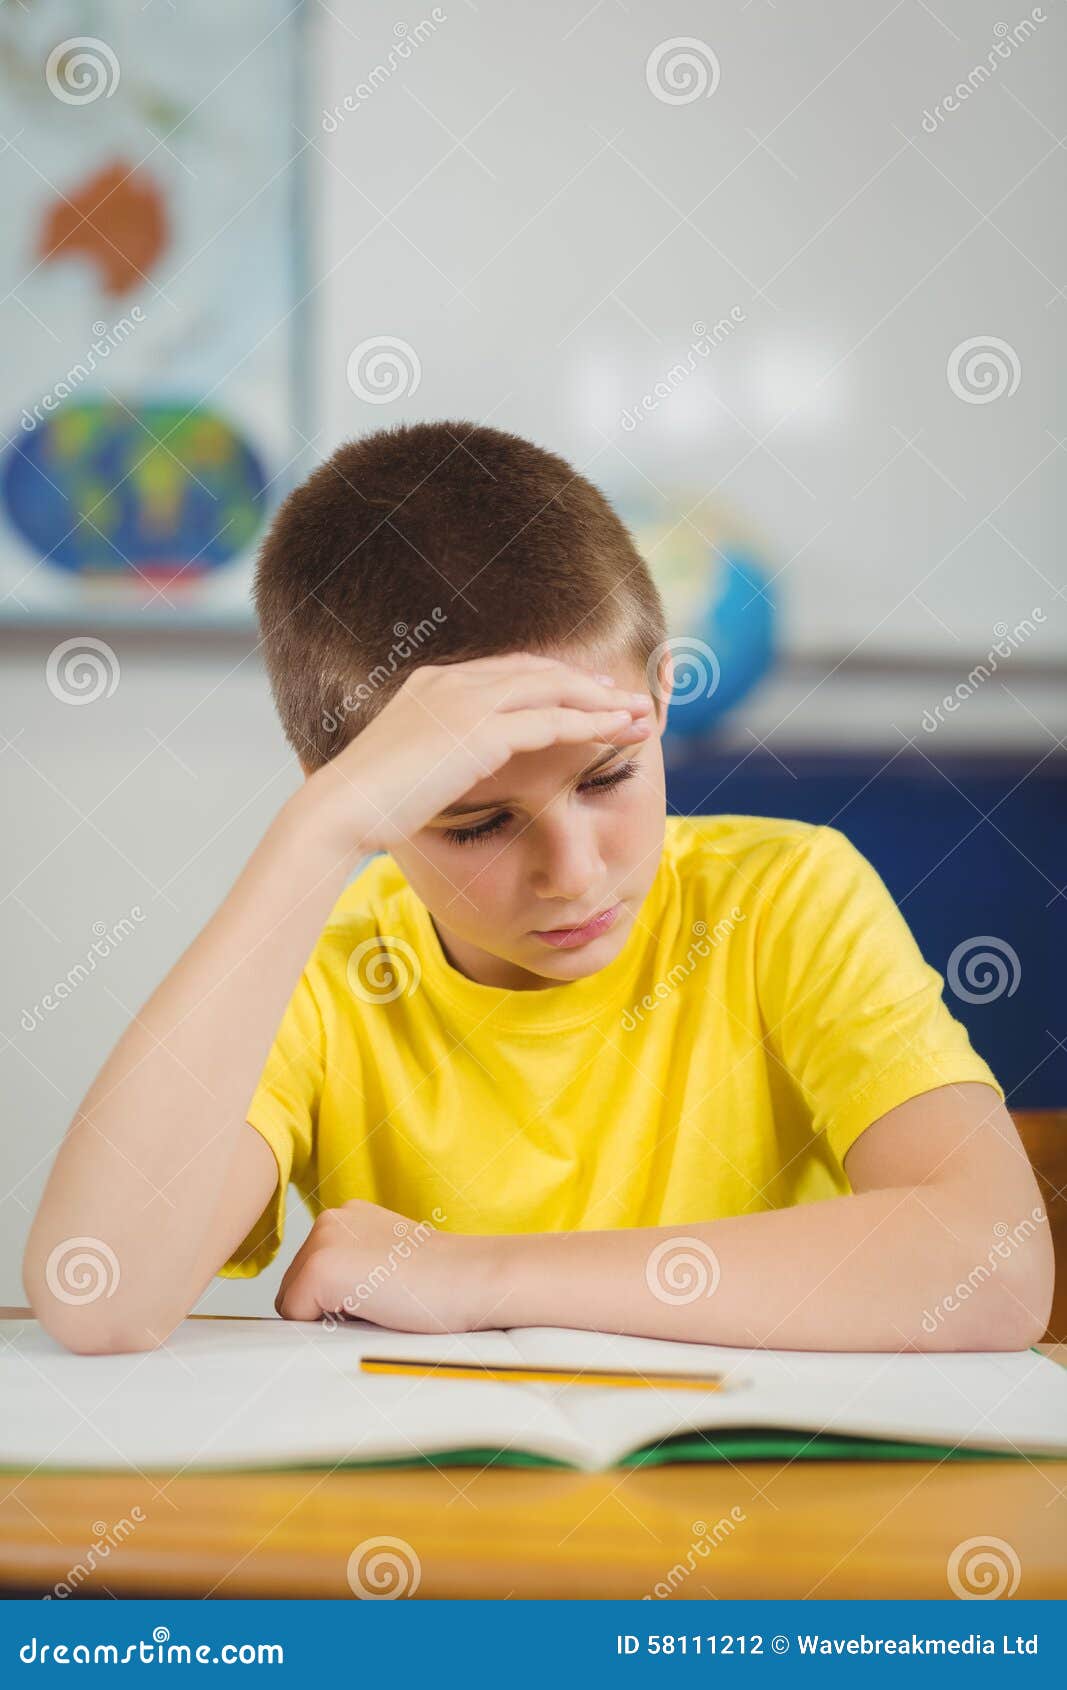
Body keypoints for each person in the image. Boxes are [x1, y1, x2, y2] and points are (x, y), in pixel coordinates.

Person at [24, 421, 1053, 1355]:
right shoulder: (323, 970)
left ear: (660, 694)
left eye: (605, 777)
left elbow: (994, 1268)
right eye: (475, 822)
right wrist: (318, 830)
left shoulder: (789, 898)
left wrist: (480, 1277)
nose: (573, 871)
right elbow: (100, 1295)